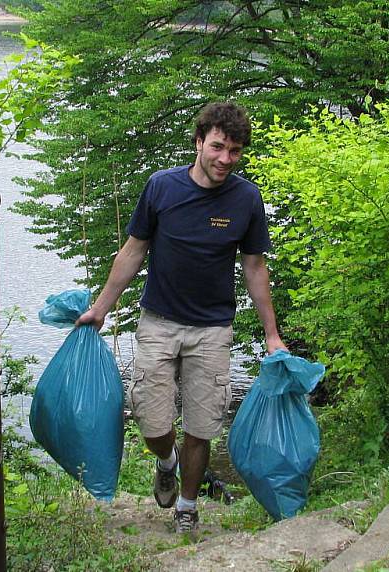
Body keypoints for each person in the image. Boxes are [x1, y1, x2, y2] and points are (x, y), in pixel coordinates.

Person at [76, 101, 286, 535]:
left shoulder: (246, 199)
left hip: (212, 329)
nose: (226, 159)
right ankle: (166, 462)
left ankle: (187, 507)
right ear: (198, 142)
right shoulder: (161, 188)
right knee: (151, 421)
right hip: (158, 322)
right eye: (218, 147)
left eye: (235, 151)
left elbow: (254, 267)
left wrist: (272, 335)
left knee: (201, 425)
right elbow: (133, 250)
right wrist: (100, 308)